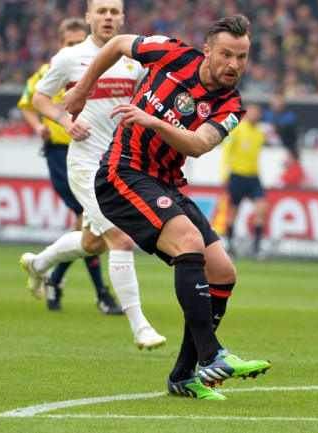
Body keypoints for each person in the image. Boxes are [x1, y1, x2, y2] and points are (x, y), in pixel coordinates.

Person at [62, 14, 271, 401]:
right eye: (226, 54)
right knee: (188, 241)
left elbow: (197, 144)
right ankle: (211, 356)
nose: (234, 65)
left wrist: (151, 121)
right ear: (207, 51)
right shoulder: (172, 52)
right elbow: (117, 44)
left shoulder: (231, 104)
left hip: (166, 182)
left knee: (223, 273)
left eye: (242, 57)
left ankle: (182, 375)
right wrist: (81, 91)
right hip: (121, 171)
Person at [20, 0, 165, 349]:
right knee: (120, 239)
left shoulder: (134, 58)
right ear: (88, 17)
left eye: (114, 12)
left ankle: (38, 264)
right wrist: (65, 122)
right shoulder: (71, 57)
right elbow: (39, 98)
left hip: (121, 163)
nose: (108, 17)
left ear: (123, 18)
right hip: (85, 165)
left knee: (92, 243)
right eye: (101, 11)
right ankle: (140, 327)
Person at [17, 17, 121, 314]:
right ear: (61, 45)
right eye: (70, 43)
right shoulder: (50, 70)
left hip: (92, 152)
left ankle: (53, 276)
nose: (76, 47)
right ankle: (100, 292)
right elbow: (28, 104)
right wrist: (40, 128)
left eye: (80, 42)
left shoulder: (96, 67)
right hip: (62, 154)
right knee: (89, 219)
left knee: (89, 228)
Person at [221, 103, 268, 259]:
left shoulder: (260, 134)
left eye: (257, 112)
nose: (254, 115)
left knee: (262, 207)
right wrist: (224, 175)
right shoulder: (238, 130)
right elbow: (227, 151)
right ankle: (229, 245)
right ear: (247, 113)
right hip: (237, 175)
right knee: (234, 210)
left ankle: (256, 246)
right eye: (252, 112)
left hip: (254, 176)